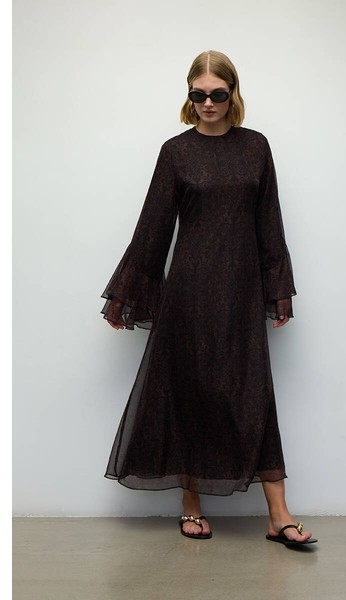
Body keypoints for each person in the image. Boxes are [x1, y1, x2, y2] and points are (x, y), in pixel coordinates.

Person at [101, 50, 317, 547]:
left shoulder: (256, 147)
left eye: (218, 93)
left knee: (253, 393)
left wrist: (277, 287)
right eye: (198, 94)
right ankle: (191, 506)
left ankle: (278, 515)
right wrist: (127, 294)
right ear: (189, 96)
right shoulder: (176, 152)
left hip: (241, 290)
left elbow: (269, 222)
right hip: (190, 291)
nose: (208, 103)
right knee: (189, 391)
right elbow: (153, 227)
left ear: (233, 93)